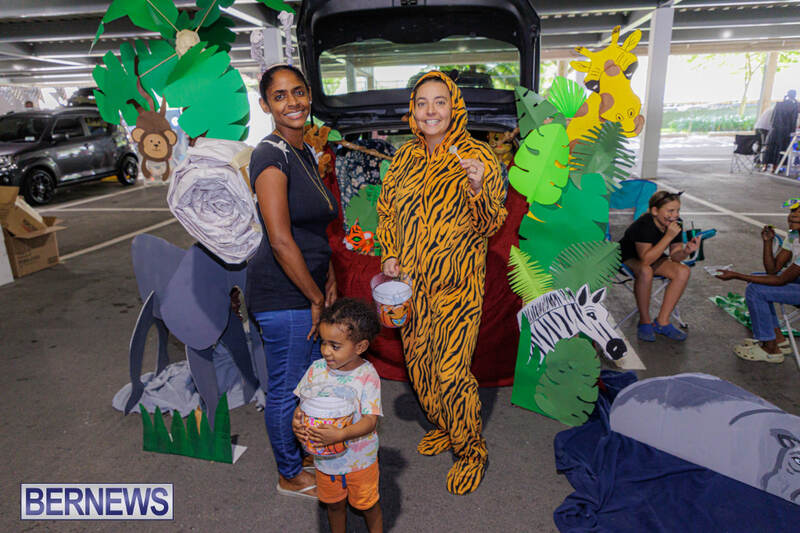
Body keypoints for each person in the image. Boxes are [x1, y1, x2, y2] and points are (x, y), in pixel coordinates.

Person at [376, 70, 507, 495]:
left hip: (457, 288)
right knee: (420, 367)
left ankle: (471, 452)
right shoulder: (404, 158)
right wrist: (390, 253)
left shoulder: (479, 156)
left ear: (455, 107)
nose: (430, 110)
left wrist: (477, 187)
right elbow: (386, 212)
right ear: (413, 111)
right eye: (422, 103)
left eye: (440, 101)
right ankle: (448, 426)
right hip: (411, 287)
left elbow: (490, 224)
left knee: (450, 372)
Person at [247, 63, 338, 499]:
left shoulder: (301, 151)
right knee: (286, 389)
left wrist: (329, 277)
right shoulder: (270, 155)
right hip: (284, 295)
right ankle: (288, 473)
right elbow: (281, 240)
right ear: (266, 105)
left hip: (306, 289)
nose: (292, 102)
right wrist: (315, 296)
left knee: (306, 383)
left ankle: (300, 454)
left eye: (298, 92)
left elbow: (313, 229)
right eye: (280, 96)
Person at [292, 298, 383, 533]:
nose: (325, 351)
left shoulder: (367, 376)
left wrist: (341, 434)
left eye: (335, 346)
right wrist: (297, 422)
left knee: (368, 506)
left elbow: (370, 421)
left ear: (360, 347)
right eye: (323, 342)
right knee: (333, 506)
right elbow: (302, 406)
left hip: (360, 461)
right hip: (325, 460)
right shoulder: (316, 369)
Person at [716, 203, 800, 363]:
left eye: (799, 212)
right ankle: (777, 339)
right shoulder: (794, 236)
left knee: (756, 290)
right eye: (792, 212)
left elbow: (781, 280)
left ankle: (770, 349)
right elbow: (772, 271)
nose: (793, 215)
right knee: (757, 279)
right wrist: (767, 242)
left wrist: (737, 275)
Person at [619, 190, 701, 342]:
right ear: (655, 211)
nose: (675, 215)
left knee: (683, 271)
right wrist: (668, 236)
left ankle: (662, 322)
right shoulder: (643, 225)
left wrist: (686, 251)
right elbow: (645, 260)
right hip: (627, 257)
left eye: (677, 210)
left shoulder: (675, 223)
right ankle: (645, 321)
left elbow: (675, 256)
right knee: (646, 271)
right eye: (670, 211)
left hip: (654, 255)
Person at [763, 90, 799, 172]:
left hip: (775, 130)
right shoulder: (794, 106)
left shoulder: (778, 104)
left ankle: (765, 166)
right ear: (794, 96)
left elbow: (773, 118)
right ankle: (775, 168)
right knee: (781, 149)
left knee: (771, 148)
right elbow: (793, 120)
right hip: (786, 131)